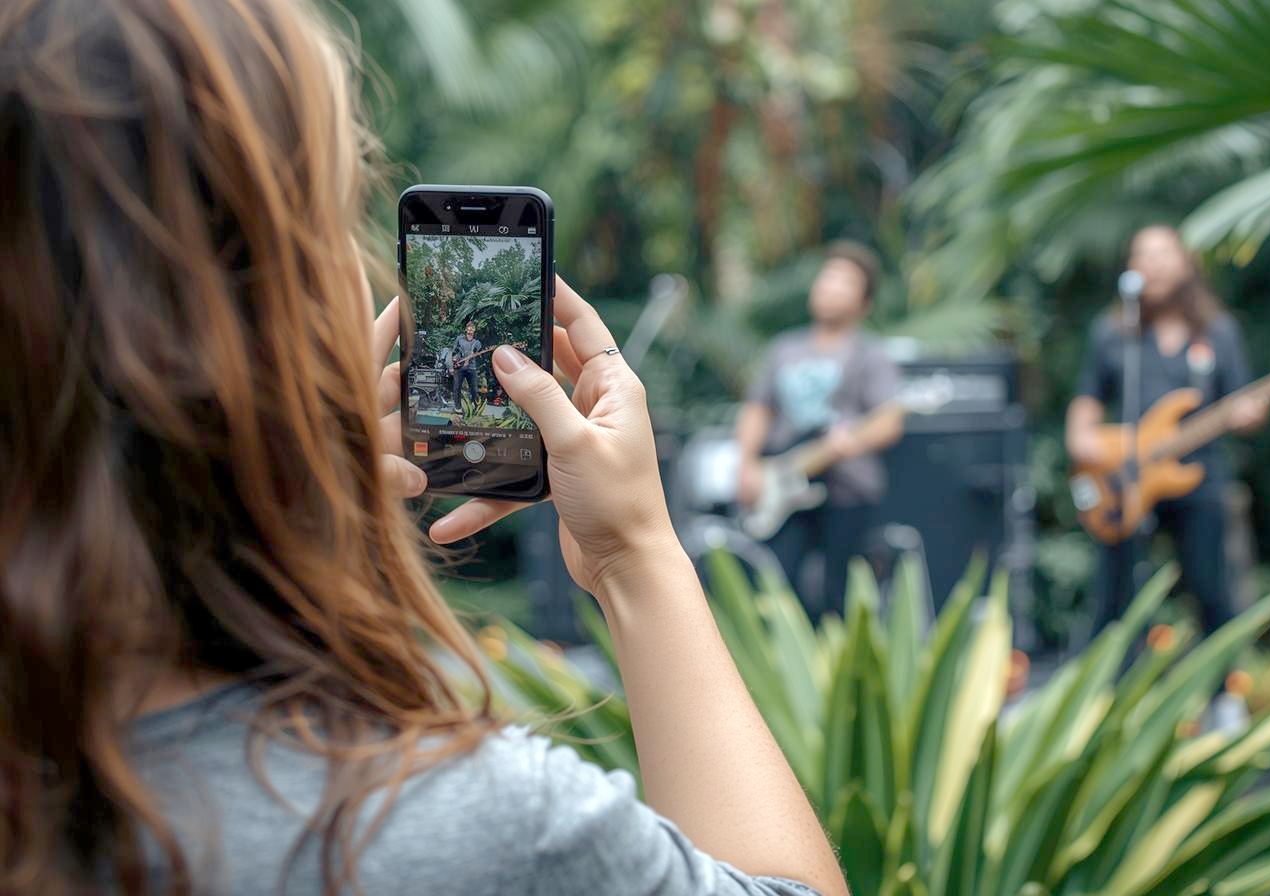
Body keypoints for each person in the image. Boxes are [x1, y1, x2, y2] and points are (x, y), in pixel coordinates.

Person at [0, 2, 846, 895]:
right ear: (275, 312)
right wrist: (632, 553)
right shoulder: (464, 824)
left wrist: (298, 537)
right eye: (334, 216)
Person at [1065, 226, 1267, 724]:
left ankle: (1223, 701)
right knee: (1116, 593)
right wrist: (1083, 438)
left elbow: (1243, 402)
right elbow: (1087, 400)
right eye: (1142, 254)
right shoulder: (1114, 333)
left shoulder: (1217, 333)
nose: (1153, 263)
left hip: (1198, 476)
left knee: (1210, 587)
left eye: (1163, 253)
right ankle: (1106, 702)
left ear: (1185, 263)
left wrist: (1250, 414)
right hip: (1126, 479)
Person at [735, 242, 905, 619]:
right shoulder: (784, 349)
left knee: (840, 595)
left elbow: (890, 421)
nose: (831, 287)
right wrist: (746, 464)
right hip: (785, 483)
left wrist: (854, 441)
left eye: (845, 282)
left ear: (864, 302)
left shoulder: (871, 354)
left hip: (847, 490)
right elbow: (757, 409)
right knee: (777, 588)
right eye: (828, 277)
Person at [450, 319, 483, 410]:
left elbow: (473, 353)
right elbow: (454, 351)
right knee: (456, 388)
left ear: (474, 330)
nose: (470, 329)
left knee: (474, 389)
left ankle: (472, 407)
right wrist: (454, 359)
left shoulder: (477, 343)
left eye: (472, 328)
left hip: (471, 368)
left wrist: (467, 362)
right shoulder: (459, 340)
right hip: (459, 367)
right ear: (466, 329)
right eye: (469, 327)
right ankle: (458, 407)